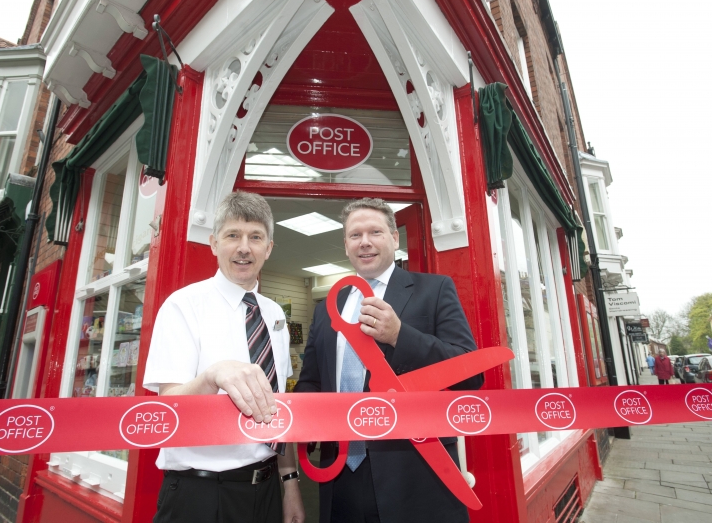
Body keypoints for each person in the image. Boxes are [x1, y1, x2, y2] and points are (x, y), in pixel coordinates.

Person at [294, 198, 483, 523]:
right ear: (346, 244)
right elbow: (312, 381)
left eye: (375, 232)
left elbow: (469, 373)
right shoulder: (327, 307)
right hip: (339, 476)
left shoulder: (434, 290)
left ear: (395, 238)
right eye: (355, 235)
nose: (364, 241)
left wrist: (399, 336)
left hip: (415, 477)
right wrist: (294, 416)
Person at [142, 192, 305, 523]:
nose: (244, 247)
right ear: (215, 244)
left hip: (268, 489)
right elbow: (166, 408)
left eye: (255, 237)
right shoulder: (182, 306)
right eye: (233, 235)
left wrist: (290, 484)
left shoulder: (275, 315)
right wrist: (210, 377)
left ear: (268, 249)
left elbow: (280, 407)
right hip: (200, 496)